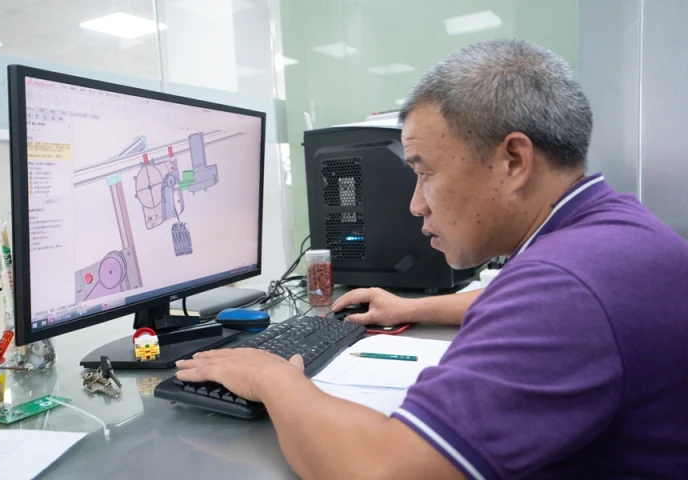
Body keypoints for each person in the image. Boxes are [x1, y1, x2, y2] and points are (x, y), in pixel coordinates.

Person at [176, 39, 688, 479]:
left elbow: (382, 470)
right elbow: (521, 302)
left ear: (514, 160)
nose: (416, 204)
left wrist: (271, 378)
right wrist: (410, 308)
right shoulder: (612, 232)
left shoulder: (563, 287)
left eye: (425, 173)